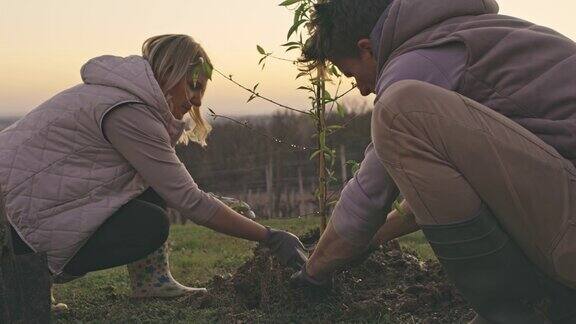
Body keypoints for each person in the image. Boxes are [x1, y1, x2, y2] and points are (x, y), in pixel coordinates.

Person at [290, 0, 576, 323]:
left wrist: (312, 271)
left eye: (352, 73)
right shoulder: (460, 37)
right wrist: (368, 243)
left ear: (366, 48)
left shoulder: (419, 61)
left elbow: (368, 196)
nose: (363, 88)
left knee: (397, 113)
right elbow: (443, 195)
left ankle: (521, 313)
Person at [0, 34, 306, 311]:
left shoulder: (120, 96)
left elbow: (167, 184)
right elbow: (189, 200)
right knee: (149, 225)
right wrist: (270, 236)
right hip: (10, 216)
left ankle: (152, 282)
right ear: (170, 72)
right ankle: (28, 276)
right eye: (193, 85)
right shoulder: (129, 111)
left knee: (153, 186)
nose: (197, 100)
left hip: (17, 202)